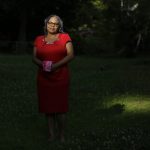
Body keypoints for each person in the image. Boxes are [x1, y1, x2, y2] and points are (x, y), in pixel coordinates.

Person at [32, 14, 74, 142]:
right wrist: (44, 65)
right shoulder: (38, 39)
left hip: (61, 76)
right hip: (44, 77)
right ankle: (51, 135)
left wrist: (55, 66)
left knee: (60, 108)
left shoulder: (65, 37)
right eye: (50, 23)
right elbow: (34, 57)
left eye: (56, 24)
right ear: (46, 24)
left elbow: (71, 55)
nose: (52, 25)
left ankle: (61, 135)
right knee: (48, 108)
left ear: (59, 26)